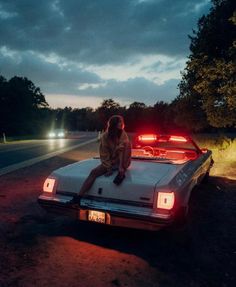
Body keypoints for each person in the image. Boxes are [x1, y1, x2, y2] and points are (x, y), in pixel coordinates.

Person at [77, 115, 131, 200]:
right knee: (93, 172)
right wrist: (108, 167)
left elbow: (122, 150)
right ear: (114, 124)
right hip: (111, 161)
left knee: (127, 144)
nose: (121, 123)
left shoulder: (123, 134)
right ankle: (78, 197)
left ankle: (121, 171)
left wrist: (121, 167)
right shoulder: (105, 136)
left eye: (121, 121)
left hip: (122, 160)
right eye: (119, 122)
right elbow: (104, 153)